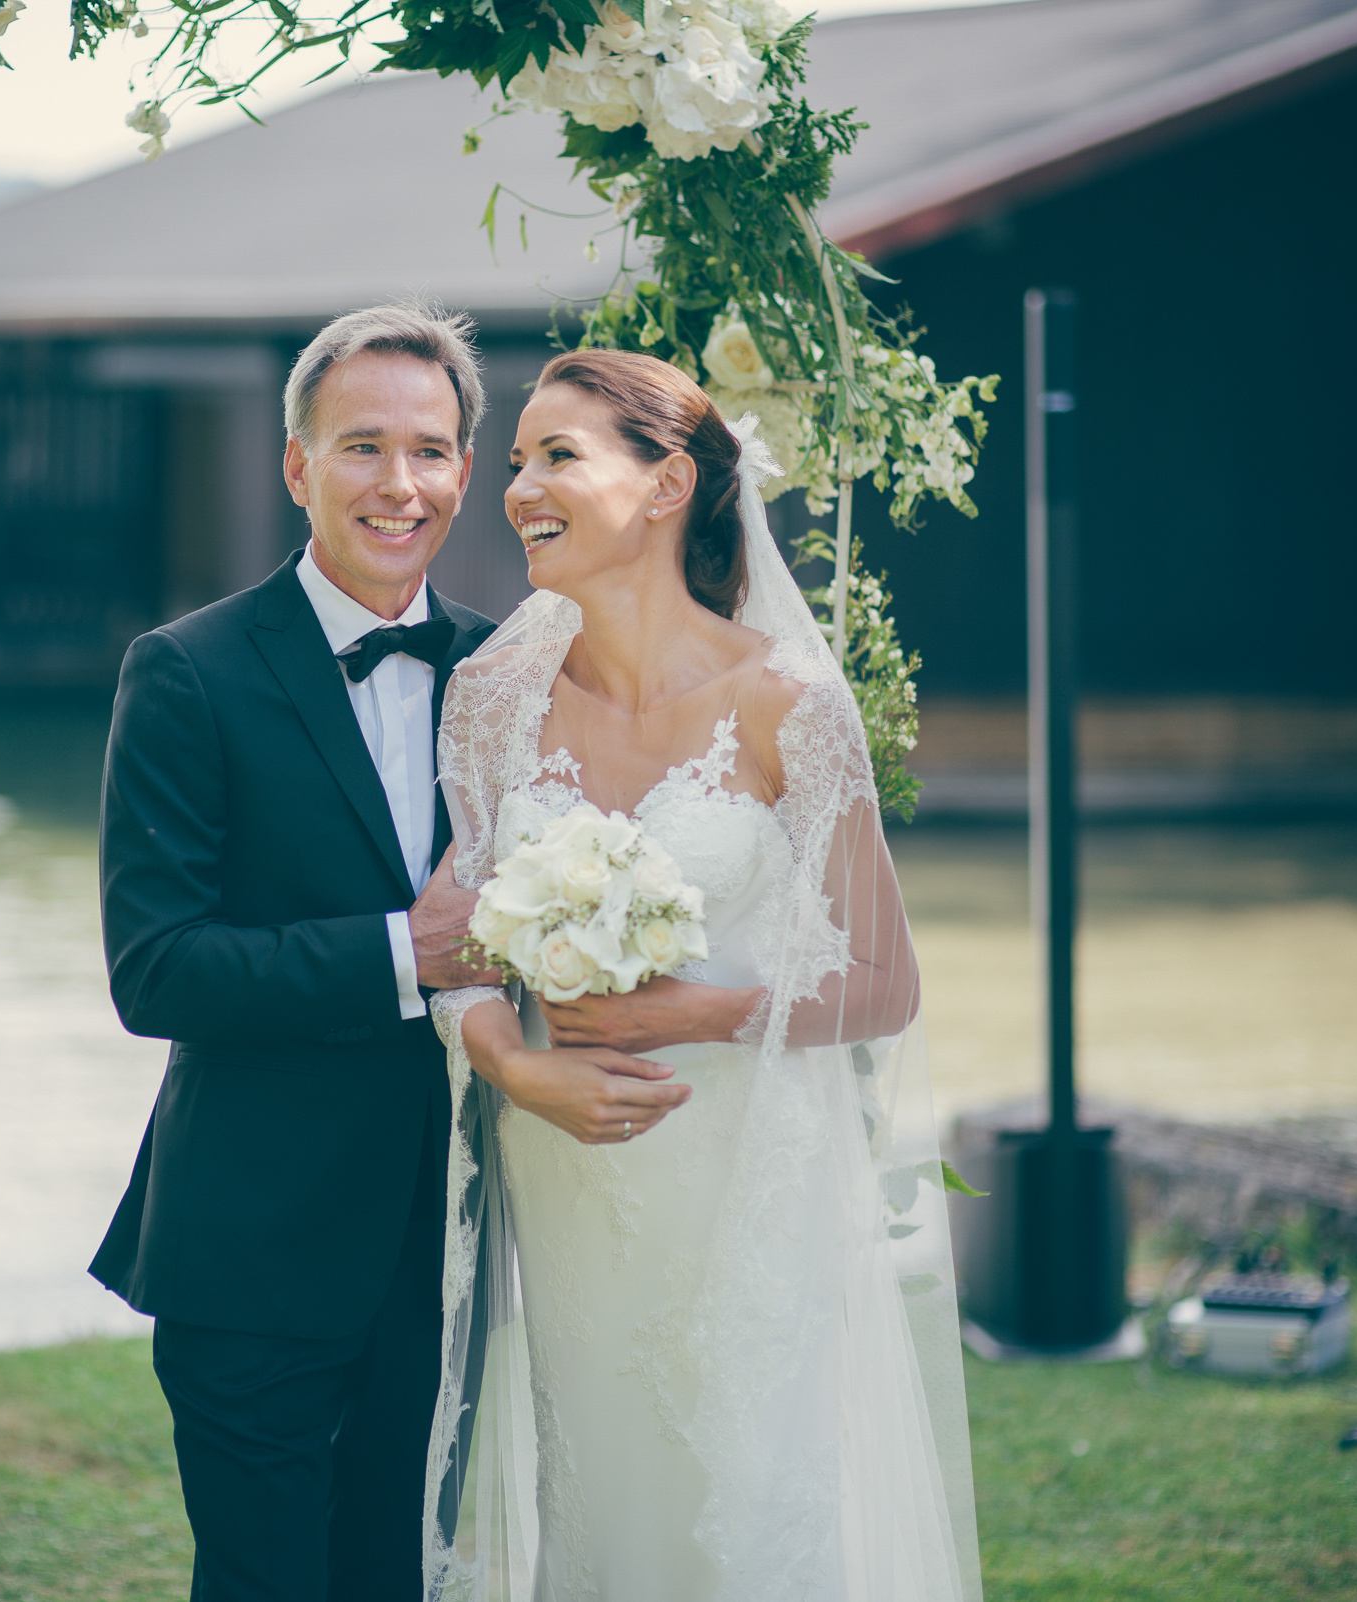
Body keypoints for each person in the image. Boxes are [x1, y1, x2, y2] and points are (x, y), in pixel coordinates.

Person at [90, 304, 692, 1600]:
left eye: (430, 450)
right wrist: (399, 949)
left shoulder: (516, 669)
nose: (399, 484)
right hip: (254, 1236)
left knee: (396, 1576)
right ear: (297, 465)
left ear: (470, 472)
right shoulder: (186, 672)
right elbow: (159, 969)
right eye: (363, 447)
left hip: (453, 1235)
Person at [420, 349, 981, 1599]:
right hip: (570, 1167)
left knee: (745, 1503)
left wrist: (703, 1010)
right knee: (605, 1509)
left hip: (740, 1184)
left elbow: (887, 983)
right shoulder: (492, 698)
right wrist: (507, 1058)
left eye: (557, 456)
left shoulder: (788, 702)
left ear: (667, 481)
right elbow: (445, 942)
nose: (518, 488)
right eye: (517, 463)